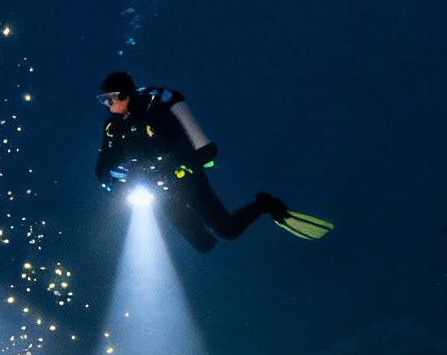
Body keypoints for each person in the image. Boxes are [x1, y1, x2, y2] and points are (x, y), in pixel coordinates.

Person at [94, 70, 332, 252]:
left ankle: (265, 204)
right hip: (156, 191)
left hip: (184, 179)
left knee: (227, 230)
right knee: (204, 245)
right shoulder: (113, 127)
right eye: (102, 100)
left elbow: (190, 148)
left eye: (109, 99)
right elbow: (103, 166)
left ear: (124, 94)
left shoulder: (155, 112)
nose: (106, 105)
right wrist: (116, 186)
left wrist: (173, 171)